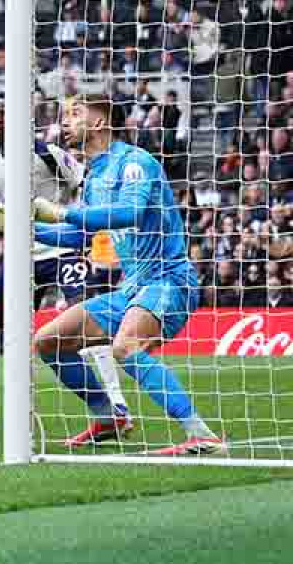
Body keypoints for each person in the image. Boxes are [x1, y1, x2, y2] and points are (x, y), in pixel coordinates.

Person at [22, 94, 223, 455]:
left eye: (75, 114)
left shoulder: (134, 162)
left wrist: (61, 213)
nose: (64, 121)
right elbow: (79, 235)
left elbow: (129, 212)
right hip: (131, 289)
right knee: (47, 341)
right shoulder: (93, 176)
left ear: (99, 122)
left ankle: (203, 435)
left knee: (125, 347)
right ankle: (108, 417)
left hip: (168, 279)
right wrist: (24, 228)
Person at [0, 94, 110, 424]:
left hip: (61, 249)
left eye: (4, 113)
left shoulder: (47, 154)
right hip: (20, 253)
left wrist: (83, 223)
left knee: (88, 323)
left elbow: (85, 183)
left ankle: (114, 404)